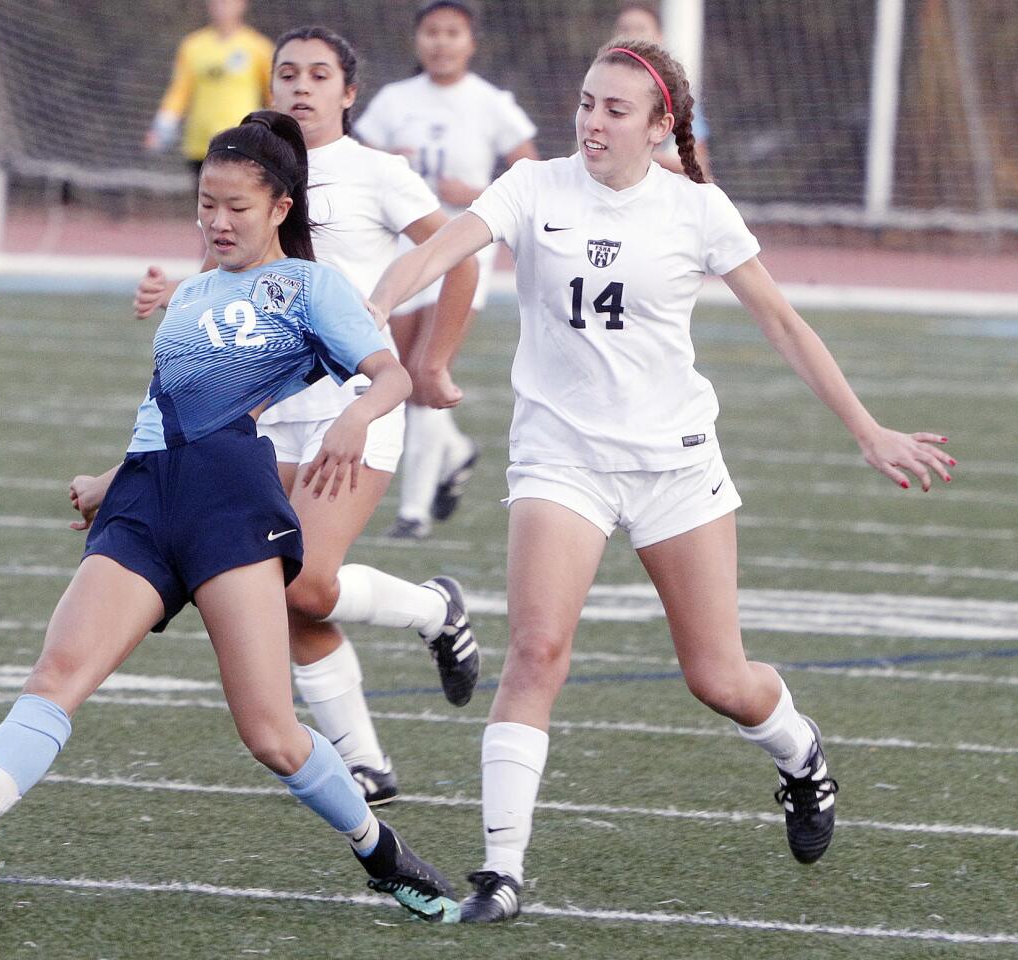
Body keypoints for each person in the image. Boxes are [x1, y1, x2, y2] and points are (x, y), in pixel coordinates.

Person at [369, 38, 956, 921]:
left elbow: (786, 326)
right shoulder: (533, 186)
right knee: (536, 651)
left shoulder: (696, 209)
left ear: (659, 127)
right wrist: (372, 307)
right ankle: (501, 871)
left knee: (719, 677)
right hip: (561, 459)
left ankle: (801, 756)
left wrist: (866, 428)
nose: (592, 121)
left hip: (675, 465)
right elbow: (438, 254)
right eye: (585, 103)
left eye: (614, 109)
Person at [0, 112, 463, 923]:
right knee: (58, 675)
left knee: (272, 734)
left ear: (281, 206)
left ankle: (379, 853)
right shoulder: (193, 292)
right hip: (145, 501)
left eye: (237, 206)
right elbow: (163, 407)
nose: (217, 221)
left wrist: (355, 415)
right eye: (206, 203)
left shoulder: (313, 288)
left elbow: (390, 377)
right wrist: (113, 476)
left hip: (229, 505)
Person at [120, 25, 483, 808]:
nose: (301, 87)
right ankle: (366, 762)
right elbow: (236, 269)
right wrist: (173, 294)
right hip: (260, 410)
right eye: (287, 73)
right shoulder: (253, 174)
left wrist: (433, 361)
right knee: (286, 588)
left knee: (307, 578)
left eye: (320, 75)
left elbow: (463, 252)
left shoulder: (377, 173)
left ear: (350, 94)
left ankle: (431, 608)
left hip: (354, 403)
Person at [355, 0, 539, 540]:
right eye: (431, 32)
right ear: (417, 40)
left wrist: (475, 193)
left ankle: (412, 513)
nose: (441, 42)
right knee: (398, 372)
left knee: (423, 370)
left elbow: (528, 169)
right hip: (408, 251)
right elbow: (361, 161)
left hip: (465, 252)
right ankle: (455, 452)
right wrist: (393, 160)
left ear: (471, 41)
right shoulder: (394, 100)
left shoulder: (489, 102)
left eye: (452, 32)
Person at [144, 0, 274, 178]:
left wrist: (281, 132)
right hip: (200, 145)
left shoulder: (259, 47)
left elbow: (272, 94)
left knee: (236, 201)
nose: (222, 6)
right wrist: (162, 129)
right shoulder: (192, 46)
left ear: (242, 4)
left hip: (242, 144)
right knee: (205, 203)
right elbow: (179, 92)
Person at [612, 1, 710, 179]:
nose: (632, 36)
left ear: (659, 36)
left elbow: (699, 166)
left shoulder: (677, 96)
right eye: (625, 29)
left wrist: (643, 155)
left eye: (640, 29)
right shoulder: (598, 90)